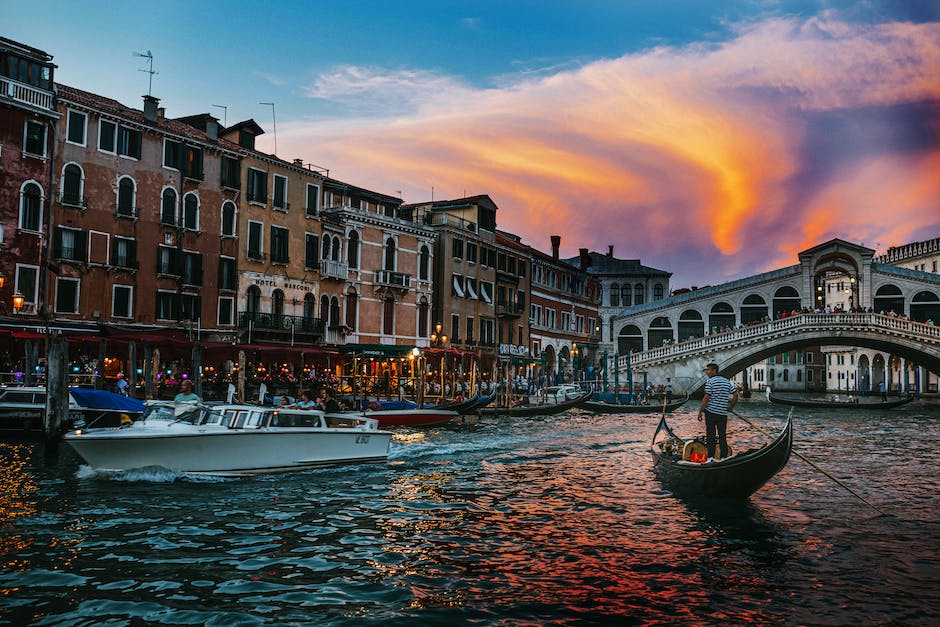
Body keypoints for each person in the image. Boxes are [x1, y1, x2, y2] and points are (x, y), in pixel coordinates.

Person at [697, 362, 738, 462]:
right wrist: (730, 406)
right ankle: (723, 457)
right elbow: (736, 395)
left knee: (711, 435)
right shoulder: (726, 381)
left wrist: (700, 412)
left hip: (711, 412)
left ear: (713, 371)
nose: (707, 372)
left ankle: (710, 457)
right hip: (722, 414)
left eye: (708, 370)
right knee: (722, 435)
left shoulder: (710, 382)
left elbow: (706, 398)